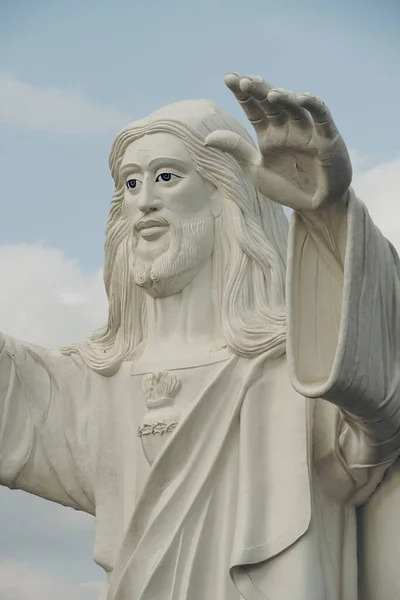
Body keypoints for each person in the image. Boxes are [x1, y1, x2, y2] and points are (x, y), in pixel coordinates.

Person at [1, 73, 400, 600]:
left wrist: (325, 213)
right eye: (131, 182)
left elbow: (378, 422)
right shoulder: (91, 381)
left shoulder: (297, 366)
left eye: (167, 177)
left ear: (224, 196)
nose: (144, 201)